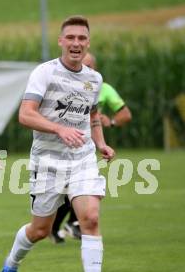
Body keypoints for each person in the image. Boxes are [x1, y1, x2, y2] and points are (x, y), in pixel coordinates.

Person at [0, 15, 115, 272]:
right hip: (47, 161)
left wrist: (100, 143)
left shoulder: (94, 78)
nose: (76, 43)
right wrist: (59, 129)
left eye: (82, 38)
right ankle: (11, 263)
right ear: (61, 41)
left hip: (82, 159)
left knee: (90, 218)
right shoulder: (44, 73)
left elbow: (92, 117)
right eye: (71, 38)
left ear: (88, 43)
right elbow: (26, 115)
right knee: (39, 230)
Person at [51, 52, 132, 243]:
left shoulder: (103, 88)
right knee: (64, 192)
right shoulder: (64, 85)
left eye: (89, 66)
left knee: (83, 189)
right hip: (62, 147)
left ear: (95, 68)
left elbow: (126, 115)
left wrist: (110, 122)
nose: (85, 69)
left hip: (87, 147)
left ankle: (74, 224)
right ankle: (54, 228)